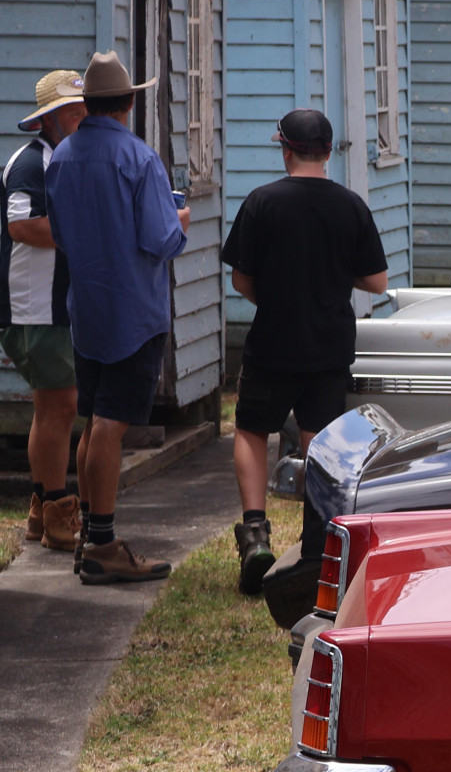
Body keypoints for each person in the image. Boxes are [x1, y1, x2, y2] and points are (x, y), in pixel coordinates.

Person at [222, 109, 387, 594]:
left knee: (252, 429)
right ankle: (317, 545)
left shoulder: (262, 202)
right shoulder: (350, 205)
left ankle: (255, 536)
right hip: (329, 347)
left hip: (272, 341)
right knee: (320, 441)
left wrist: (273, 296)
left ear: (285, 149)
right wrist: (336, 274)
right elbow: (376, 281)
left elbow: (240, 278)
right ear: (329, 152)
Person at [43, 51, 188, 584]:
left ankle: (90, 535)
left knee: (93, 420)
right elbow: (160, 237)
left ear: (88, 104)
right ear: (129, 102)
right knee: (111, 424)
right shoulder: (139, 159)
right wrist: (180, 219)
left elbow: (59, 234)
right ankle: (103, 543)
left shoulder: (60, 159)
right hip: (133, 310)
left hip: (88, 308)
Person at [4, 70, 87, 552]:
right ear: (51, 119)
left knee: (49, 407)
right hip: (34, 306)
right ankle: (58, 511)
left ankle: (40, 507)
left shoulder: (59, 160)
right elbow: (21, 225)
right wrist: (86, 232)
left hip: (49, 306)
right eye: (77, 112)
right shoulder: (32, 164)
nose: (84, 119)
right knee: (62, 405)